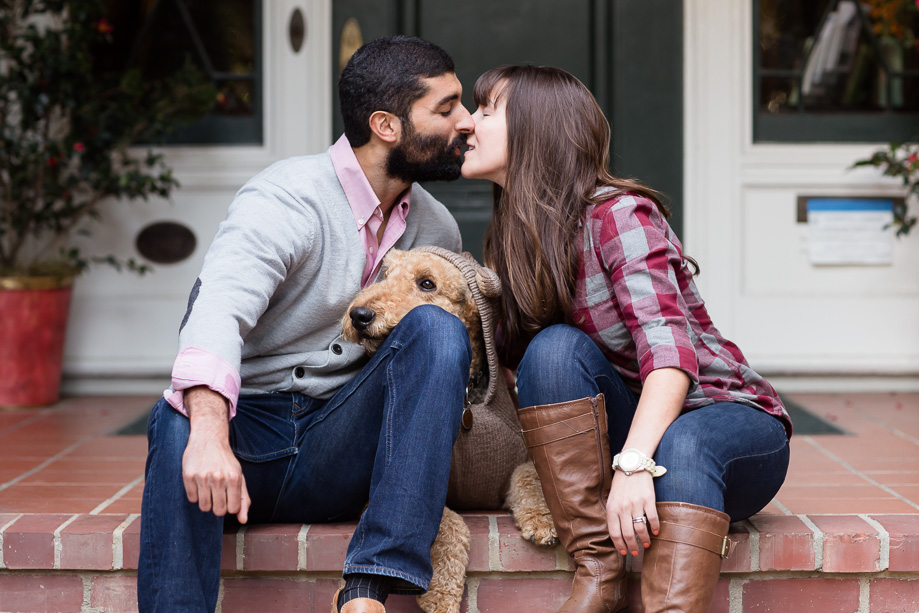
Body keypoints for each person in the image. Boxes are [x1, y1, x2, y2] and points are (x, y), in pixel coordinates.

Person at [137, 36, 476, 613]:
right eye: (445, 109)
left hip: (344, 444)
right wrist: (212, 436)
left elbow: (429, 369)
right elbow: (218, 307)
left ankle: (369, 587)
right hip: (251, 442)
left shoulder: (436, 228)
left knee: (439, 331)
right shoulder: (287, 196)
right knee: (179, 419)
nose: (465, 122)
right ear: (386, 126)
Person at [461, 64, 792, 613]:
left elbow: (670, 356)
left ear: (536, 129)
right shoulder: (516, 238)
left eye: (486, 110)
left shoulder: (618, 215)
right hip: (636, 425)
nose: (467, 124)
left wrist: (634, 462)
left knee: (686, 446)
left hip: (725, 419)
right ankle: (599, 574)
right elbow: (532, 377)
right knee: (553, 350)